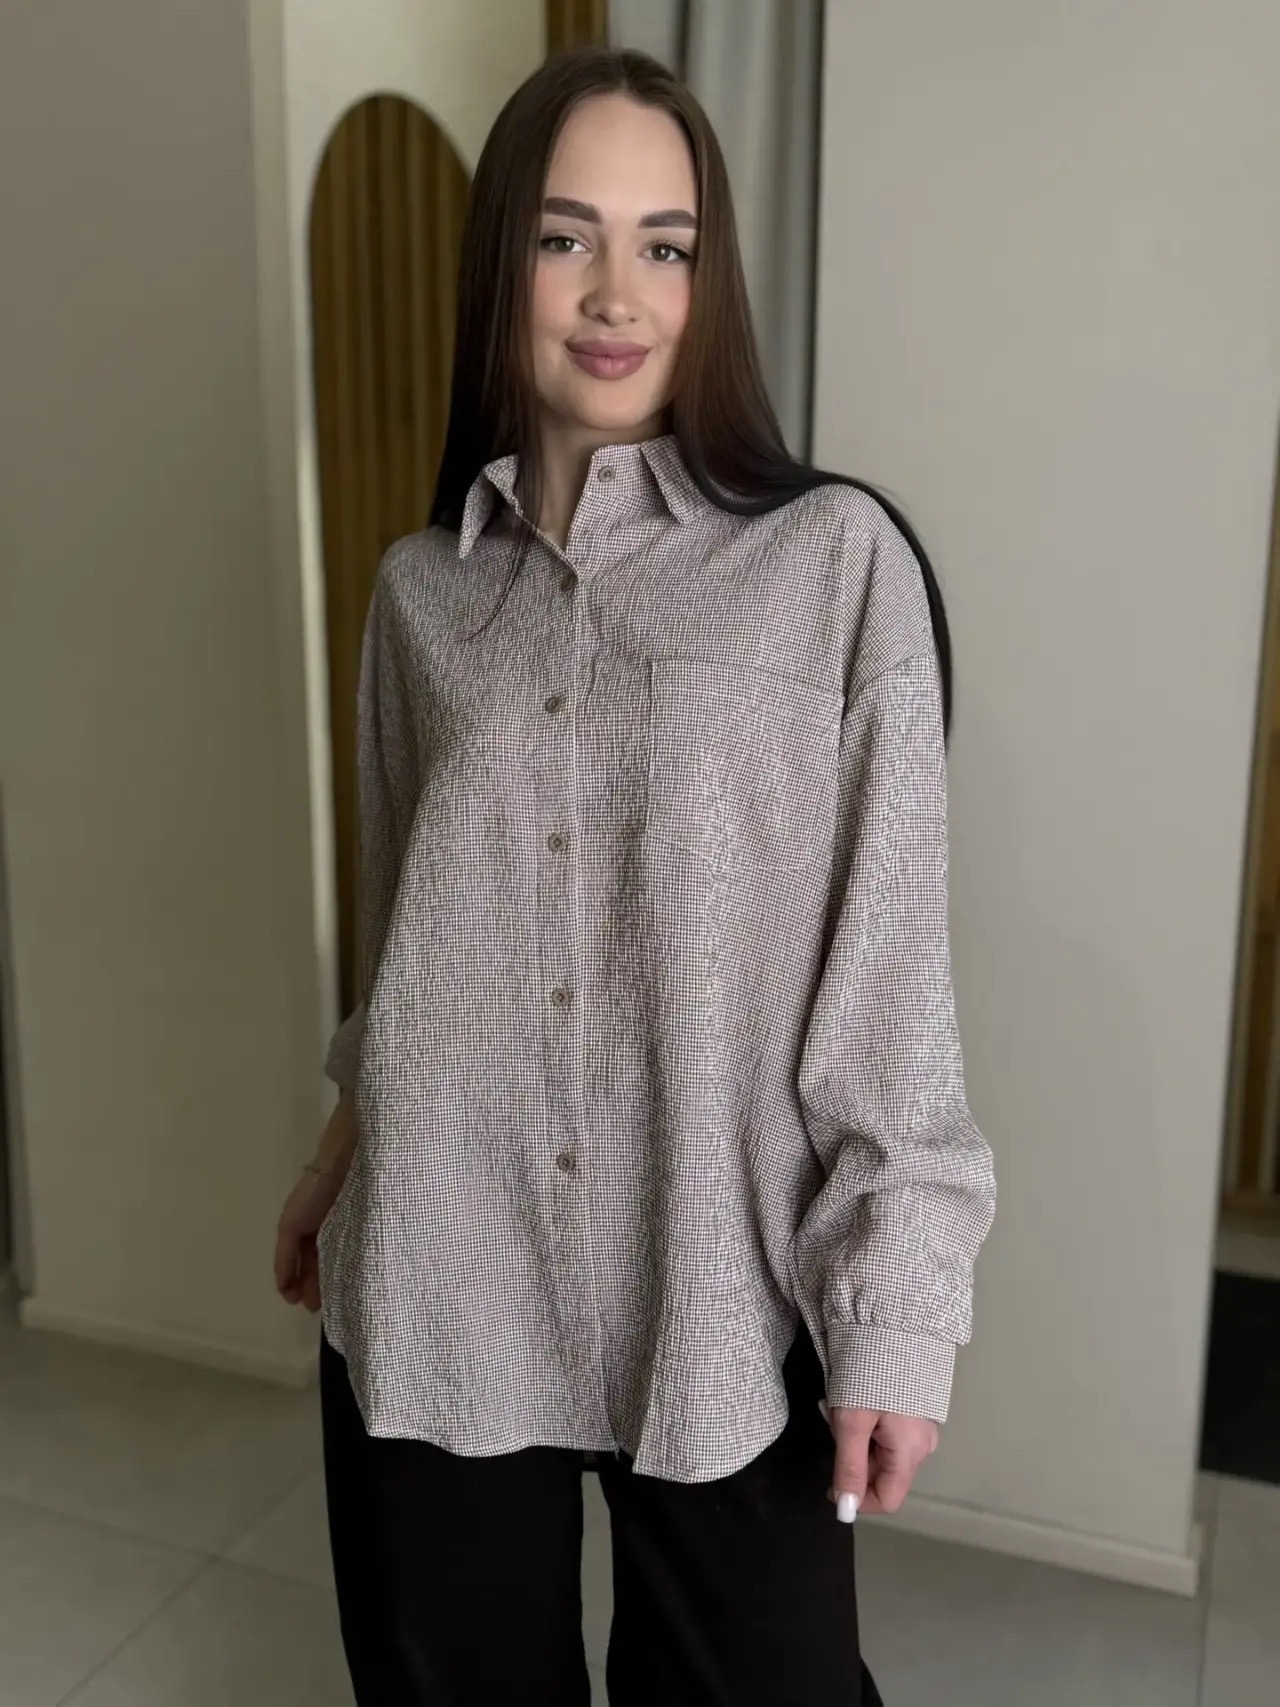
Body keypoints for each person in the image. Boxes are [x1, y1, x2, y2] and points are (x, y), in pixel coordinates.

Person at [274, 44, 996, 1707]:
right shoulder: (418, 598)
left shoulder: (833, 566)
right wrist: (334, 1157)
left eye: (665, 245)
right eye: (565, 237)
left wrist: (898, 1316)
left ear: (707, 277)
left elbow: (891, 991)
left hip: (722, 1295)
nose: (619, 294)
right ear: (501, 267)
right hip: (440, 1271)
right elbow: (409, 944)